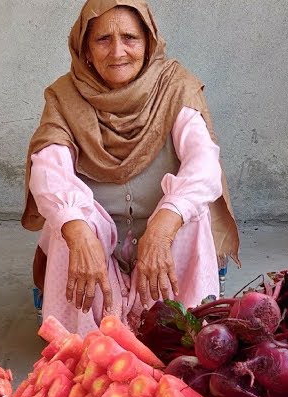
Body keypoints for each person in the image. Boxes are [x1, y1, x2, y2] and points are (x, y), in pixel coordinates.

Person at [23, 0, 240, 335]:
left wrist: (163, 226)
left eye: (130, 38)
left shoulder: (175, 87)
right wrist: (78, 231)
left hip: (162, 244)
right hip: (97, 245)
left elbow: (204, 164)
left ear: (148, 42)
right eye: (103, 40)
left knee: (192, 212)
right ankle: (81, 340)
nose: (117, 52)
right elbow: (49, 172)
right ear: (86, 49)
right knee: (66, 222)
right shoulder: (65, 97)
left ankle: (179, 329)